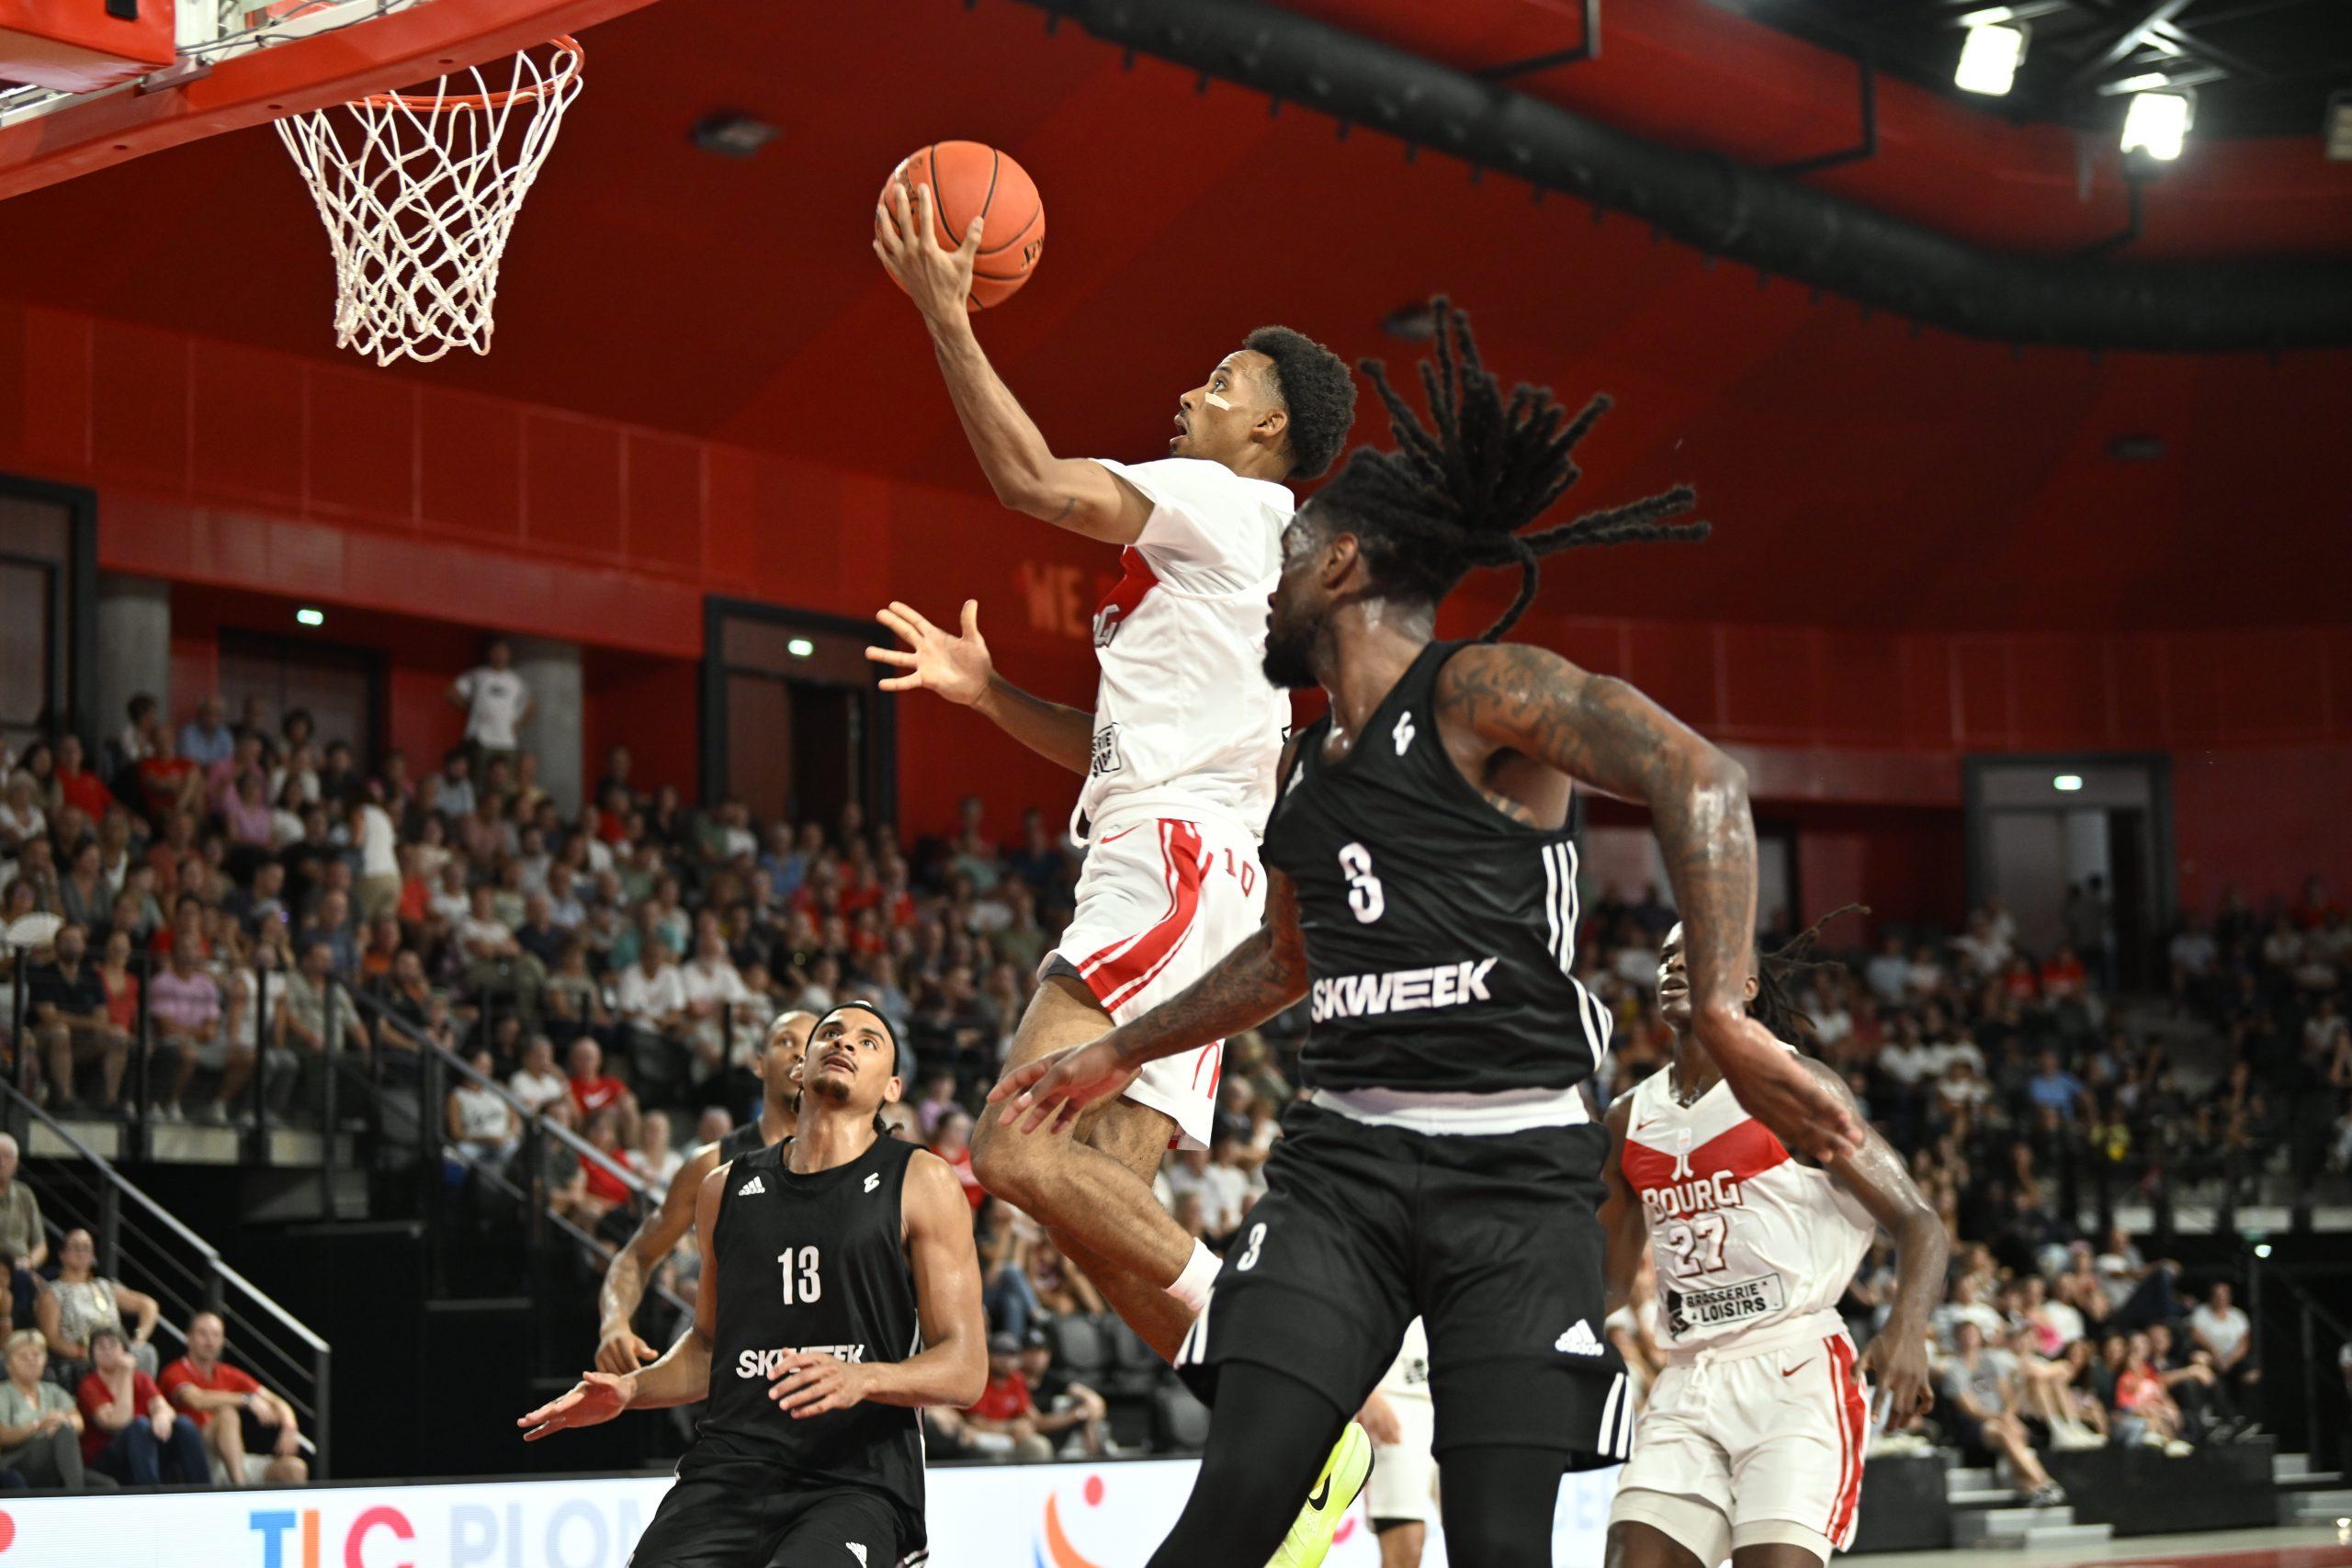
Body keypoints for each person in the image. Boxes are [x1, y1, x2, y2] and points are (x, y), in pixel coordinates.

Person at [994, 301, 1859, 1568]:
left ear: (1342, 567)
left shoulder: (1476, 691)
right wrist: (1117, 1046)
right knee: (1231, 1507)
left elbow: (1704, 781)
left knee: (1498, 1542)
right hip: (1341, 1169)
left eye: (1293, 554)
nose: (1267, 580)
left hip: (1514, 1173)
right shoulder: (1296, 766)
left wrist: (1722, 1007)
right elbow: (1283, 961)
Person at [873, 167, 1362, 1563]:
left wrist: (944, 313)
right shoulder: (1250, 547)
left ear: (1268, 429)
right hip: (1204, 863)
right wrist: (987, 697)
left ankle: (1311, 1397)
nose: (1190, 395)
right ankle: (1287, 1454)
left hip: (1167, 867)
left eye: (1221, 380)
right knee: (1107, 1209)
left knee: (1014, 1139)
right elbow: (1118, 738)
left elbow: (1029, 477)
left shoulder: (1219, 497)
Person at [520, 1002, 987, 1568]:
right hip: (729, 1472)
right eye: (831, 1033)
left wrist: (864, 1377)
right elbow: (712, 1347)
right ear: (799, 1067)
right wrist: (632, 1390)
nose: (844, 1043)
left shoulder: (921, 1180)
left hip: (852, 1480)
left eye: (868, 1042)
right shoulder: (724, 1186)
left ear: (891, 1088)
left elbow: (965, 1369)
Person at [1601, 918, 1948, 1568]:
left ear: (1748, 984)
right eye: (1666, 954)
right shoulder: (1628, 1116)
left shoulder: (1796, 1087)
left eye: (1698, 951)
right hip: (1687, 1379)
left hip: (1794, 1373)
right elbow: (1611, 1281)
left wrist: (1908, 1324)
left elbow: (1918, 1219)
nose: (1675, 964)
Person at [594, 1011, 818, 1374]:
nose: (798, 1054)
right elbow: (637, 1256)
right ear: (758, 1064)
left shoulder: (857, 1163)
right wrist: (615, 1323)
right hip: (735, 1363)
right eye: (785, 1041)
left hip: (828, 1362)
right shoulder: (712, 1164)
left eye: (810, 1045)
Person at [159, 1311, 308, 1484]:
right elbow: (196, 1400)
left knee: (294, 1469)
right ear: (188, 1338)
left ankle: (241, 1485)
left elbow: (276, 1402)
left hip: (232, 1457)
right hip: (193, 1459)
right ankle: (240, 1491)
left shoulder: (228, 1373)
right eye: (203, 1333)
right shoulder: (175, 1371)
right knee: (227, 1415)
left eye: (216, 1334)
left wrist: (289, 1426)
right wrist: (246, 1400)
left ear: (222, 1341)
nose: (210, 1340)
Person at [77, 1326, 209, 1485]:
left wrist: (161, 1414)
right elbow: (119, 1423)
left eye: (112, 1344)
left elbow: (164, 1407)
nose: (107, 1350)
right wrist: (126, 1374)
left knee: (183, 1423)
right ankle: (150, 1494)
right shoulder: (89, 1385)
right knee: (139, 1425)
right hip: (107, 1458)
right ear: (92, 1354)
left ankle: (204, 1490)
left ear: (124, 1349)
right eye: (100, 1346)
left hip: (145, 1451)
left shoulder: (141, 1379)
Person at [1356, 1319, 1437, 1568]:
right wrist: (1364, 1390)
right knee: (1406, 1544)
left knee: (1484, 1536)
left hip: (1454, 1390)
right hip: (1393, 1395)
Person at [40, 1228, 160, 1375]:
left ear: (92, 1255)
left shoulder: (103, 1286)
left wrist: (139, 1337)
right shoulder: (53, 1292)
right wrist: (86, 1354)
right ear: (62, 1254)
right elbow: (52, 1338)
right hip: (83, 1357)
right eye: (74, 1246)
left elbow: (148, 1305)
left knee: (146, 1351)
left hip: (115, 1352)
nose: (81, 1251)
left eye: (86, 1247)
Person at [0, 1327, 88, 1488]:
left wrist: (62, 1419)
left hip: (55, 1461)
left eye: (36, 1355)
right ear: (8, 1364)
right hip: (17, 1460)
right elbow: (3, 1435)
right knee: (63, 1430)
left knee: (107, 1485)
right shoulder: (4, 1393)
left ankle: (75, 1492)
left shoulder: (53, 1391)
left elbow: (79, 1423)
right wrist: (38, 1424)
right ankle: (77, 1496)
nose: (31, 1361)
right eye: (23, 1356)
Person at [448, 638, 532, 773]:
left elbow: (530, 705)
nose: (500, 656)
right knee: (480, 780)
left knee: (506, 784)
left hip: (507, 742)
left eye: (503, 653)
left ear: (508, 655)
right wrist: (471, 709)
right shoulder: (478, 675)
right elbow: (451, 692)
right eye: (496, 652)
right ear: (490, 654)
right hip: (482, 740)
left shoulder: (515, 681)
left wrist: (520, 724)